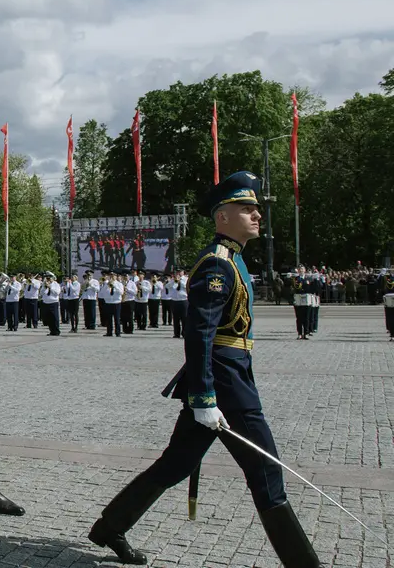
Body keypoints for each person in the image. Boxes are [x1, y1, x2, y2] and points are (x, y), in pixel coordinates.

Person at [88, 171, 320, 566]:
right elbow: (199, 337)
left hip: (230, 377)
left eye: (256, 209)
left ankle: (110, 527)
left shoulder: (234, 260)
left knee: (176, 464)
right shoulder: (217, 265)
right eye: (246, 209)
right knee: (266, 473)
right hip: (225, 384)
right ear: (222, 216)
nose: (256, 215)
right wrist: (205, 397)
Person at [41, 272, 61, 336]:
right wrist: (46, 287)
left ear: (53, 278)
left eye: (49, 278)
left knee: (54, 317)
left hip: (53, 302)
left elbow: (57, 293)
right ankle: (51, 331)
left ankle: (56, 331)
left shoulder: (56, 284)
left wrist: (50, 287)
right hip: (46, 302)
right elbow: (41, 293)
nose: (48, 280)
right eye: (47, 278)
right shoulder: (44, 285)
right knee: (48, 318)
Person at [170, 270, 188, 339]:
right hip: (175, 300)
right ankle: (176, 333)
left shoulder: (186, 279)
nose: (178, 273)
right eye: (177, 272)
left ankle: (185, 333)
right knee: (175, 318)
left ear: (183, 272)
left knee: (184, 318)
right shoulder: (173, 280)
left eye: (180, 272)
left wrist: (180, 281)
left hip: (183, 300)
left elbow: (187, 287)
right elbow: (168, 286)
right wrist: (173, 281)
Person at [381, 271, 394, 341]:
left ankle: (391, 333)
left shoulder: (388, 282)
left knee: (390, 318)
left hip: (389, 302)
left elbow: (385, 290)